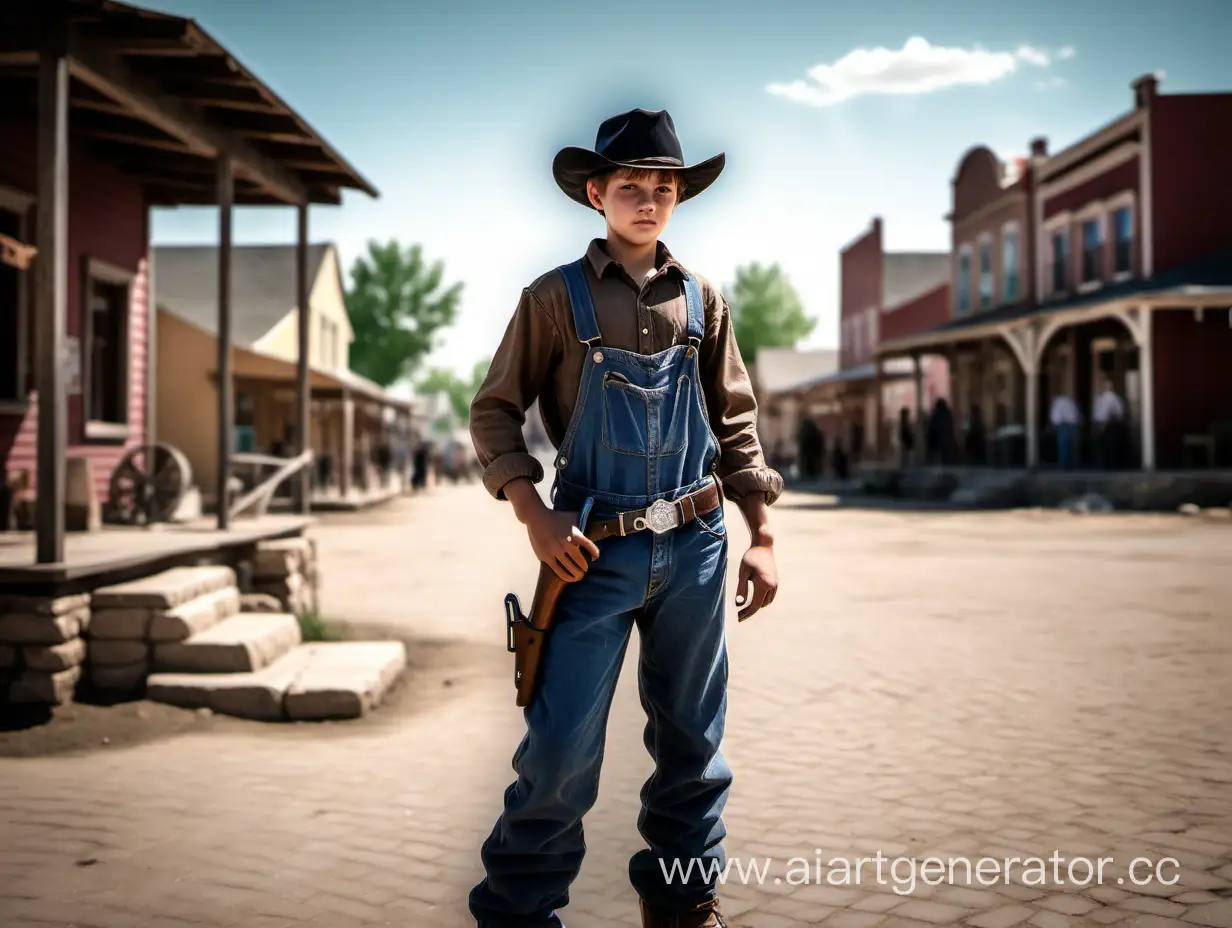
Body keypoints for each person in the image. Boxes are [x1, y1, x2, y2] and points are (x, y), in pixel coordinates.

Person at [467, 109, 782, 928]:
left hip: (697, 547)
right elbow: (494, 415)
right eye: (631, 187)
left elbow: (738, 423)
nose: (648, 200)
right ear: (597, 195)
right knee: (561, 750)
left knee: (692, 747)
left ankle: (682, 905)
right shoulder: (552, 298)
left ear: (678, 198)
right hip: (587, 552)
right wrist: (533, 516)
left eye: (664, 188)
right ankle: (518, 910)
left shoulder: (704, 301)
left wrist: (765, 536)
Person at [1092, 378, 1126, 470]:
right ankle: (1106, 464)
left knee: (1107, 444)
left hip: (1107, 423)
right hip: (1104, 423)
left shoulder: (1109, 398)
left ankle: (1107, 464)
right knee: (1106, 444)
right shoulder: (1103, 397)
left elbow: (1117, 412)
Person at [1050, 391, 1081, 469]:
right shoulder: (1069, 402)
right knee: (1071, 446)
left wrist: (1054, 424)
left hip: (1064, 424)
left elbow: (1055, 416)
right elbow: (1076, 414)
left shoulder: (1058, 402)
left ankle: (1064, 465)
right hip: (1070, 424)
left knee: (1064, 446)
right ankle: (1071, 464)